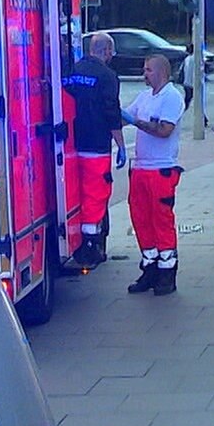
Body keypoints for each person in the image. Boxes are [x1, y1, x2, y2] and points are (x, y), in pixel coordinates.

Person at [123, 54, 186, 296]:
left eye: (148, 69)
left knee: (161, 220)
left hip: (161, 168)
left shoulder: (171, 97)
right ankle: (149, 267)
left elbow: (164, 131)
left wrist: (136, 122)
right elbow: (126, 115)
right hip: (140, 168)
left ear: (161, 72)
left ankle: (167, 273)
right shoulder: (145, 97)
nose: (144, 73)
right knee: (141, 219)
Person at [63, 31, 125, 265]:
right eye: (111, 52)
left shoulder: (72, 71)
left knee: (76, 192)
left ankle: (77, 239)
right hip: (96, 146)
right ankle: (91, 243)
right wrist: (120, 144)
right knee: (95, 194)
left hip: (70, 144)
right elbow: (112, 113)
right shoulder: (107, 76)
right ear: (107, 51)